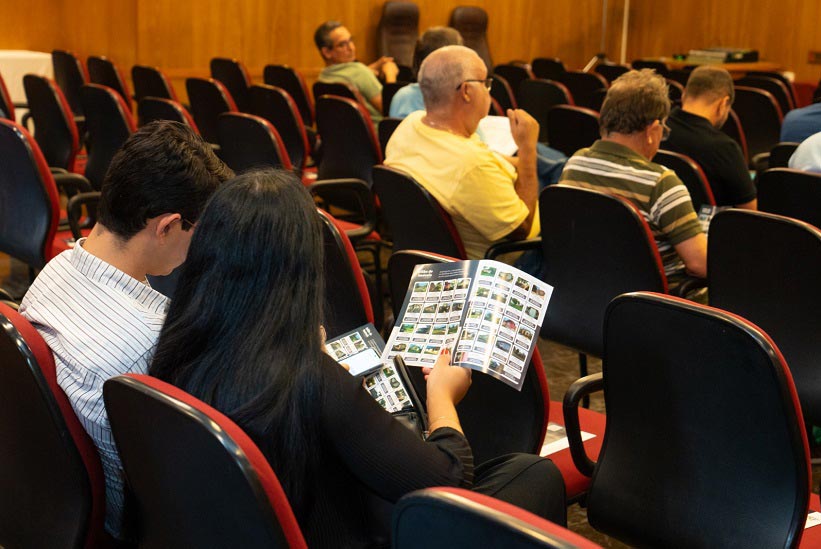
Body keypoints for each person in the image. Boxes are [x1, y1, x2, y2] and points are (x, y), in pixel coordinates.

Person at [149, 170, 567, 547]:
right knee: (535, 474)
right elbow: (447, 477)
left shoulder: (179, 344)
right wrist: (442, 395)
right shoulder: (309, 376)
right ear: (301, 270)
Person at [19, 120, 233, 538]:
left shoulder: (58, 266)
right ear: (167, 226)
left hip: (51, 506)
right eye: (198, 232)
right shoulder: (147, 347)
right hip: (135, 526)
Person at [384, 45, 540, 261]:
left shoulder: (409, 126)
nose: (488, 90)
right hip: (504, 266)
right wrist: (528, 150)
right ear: (466, 91)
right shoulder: (471, 164)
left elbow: (475, 161)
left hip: (428, 263)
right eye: (485, 83)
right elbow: (522, 229)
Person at [559, 69, 707, 287]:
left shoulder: (575, 164)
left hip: (586, 291)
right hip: (653, 307)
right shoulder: (662, 184)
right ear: (652, 130)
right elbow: (700, 265)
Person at [389, 27, 566, 190]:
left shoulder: (404, 103)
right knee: (554, 169)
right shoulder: (454, 120)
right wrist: (525, 159)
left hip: (469, 163)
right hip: (485, 165)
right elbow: (480, 157)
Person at [664, 66, 757, 209]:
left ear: (684, 95)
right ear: (723, 104)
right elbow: (748, 211)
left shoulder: (657, 130)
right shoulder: (724, 148)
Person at [315, 20, 398, 120]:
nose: (351, 48)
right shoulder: (359, 72)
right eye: (342, 44)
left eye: (351, 40)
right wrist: (390, 74)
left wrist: (368, 71)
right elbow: (392, 110)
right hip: (377, 133)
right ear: (327, 52)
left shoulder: (323, 77)